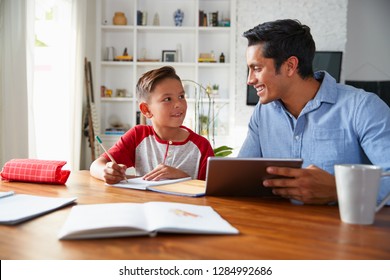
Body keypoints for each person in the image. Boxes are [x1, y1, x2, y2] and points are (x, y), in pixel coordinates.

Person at [239, 19, 390, 205]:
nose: (249, 80)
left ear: (290, 66)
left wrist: (338, 189)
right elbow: (241, 179)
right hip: (278, 228)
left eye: (257, 68)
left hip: (342, 231)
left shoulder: (363, 107)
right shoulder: (262, 113)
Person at [90, 66, 214, 184]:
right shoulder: (137, 136)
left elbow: (211, 192)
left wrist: (183, 178)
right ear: (146, 110)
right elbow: (96, 165)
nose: (178, 104)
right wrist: (106, 172)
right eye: (167, 99)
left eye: (181, 96)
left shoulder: (202, 146)